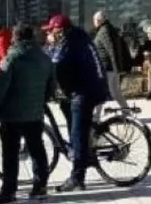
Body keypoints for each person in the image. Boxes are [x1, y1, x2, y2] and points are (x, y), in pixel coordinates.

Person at [0, 24, 56, 204]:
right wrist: (40, 101)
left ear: (15, 38)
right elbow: (51, 87)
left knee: (10, 153)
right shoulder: (44, 58)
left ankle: (9, 191)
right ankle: (40, 186)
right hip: (34, 113)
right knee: (37, 149)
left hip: (11, 114)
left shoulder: (12, 58)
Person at [45, 13, 108, 192]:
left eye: (52, 31)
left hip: (85, 91)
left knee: (77, 133)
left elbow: (56, 62)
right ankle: (82, 151)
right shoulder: (79, 36)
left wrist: (50, 46)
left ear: (60, 30)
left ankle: (77, 177)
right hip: (94, 86)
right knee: (71, 116)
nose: (49, 34)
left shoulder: (68, 43)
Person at [91, 9, 133, 110]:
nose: (93, 22)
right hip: (110, 67)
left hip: (107, 67)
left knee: (99, 92)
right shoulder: (108, 29)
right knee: (115, 92)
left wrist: (116, 68)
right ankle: (126, 111)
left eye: (94, 20)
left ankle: (95, 118)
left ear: (99, 20)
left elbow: (111, 49)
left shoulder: (104, 31)